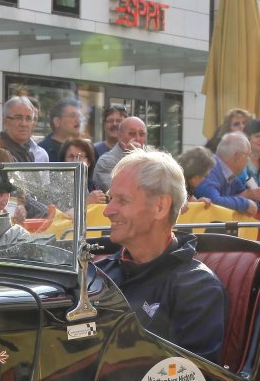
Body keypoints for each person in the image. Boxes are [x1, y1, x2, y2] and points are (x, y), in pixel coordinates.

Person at [97, 149, 227, 362]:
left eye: (122, 200)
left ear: (160, 206)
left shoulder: (197, 287)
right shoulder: (98, 274)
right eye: (110, 198)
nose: (107, 211)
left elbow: (191, 375)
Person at [198, 132, 260, 215]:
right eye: (248, 156)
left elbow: (251, 203)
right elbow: (213, 201)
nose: (249, 161)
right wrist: (245, 203)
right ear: (238, 156)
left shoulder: (231, 175)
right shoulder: (210, 169)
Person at [93, 116, 148, 191]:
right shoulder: (106, 162)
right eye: (132, 133)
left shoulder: (153, 159)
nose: (137, 138)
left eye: (141, 134)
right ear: (119, 136)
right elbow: (118, 191)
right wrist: (132, 156)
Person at [0, 96, 43, 163]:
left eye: (28, 118)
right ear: (5, 122)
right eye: (18, 118)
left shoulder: (26, 151)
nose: (24, 124)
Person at [39, 97, 83, 161]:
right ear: (57, 121)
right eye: (73, 116)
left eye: (79, 116)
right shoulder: (41, 151)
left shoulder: (85, 148)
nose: (79, 120)